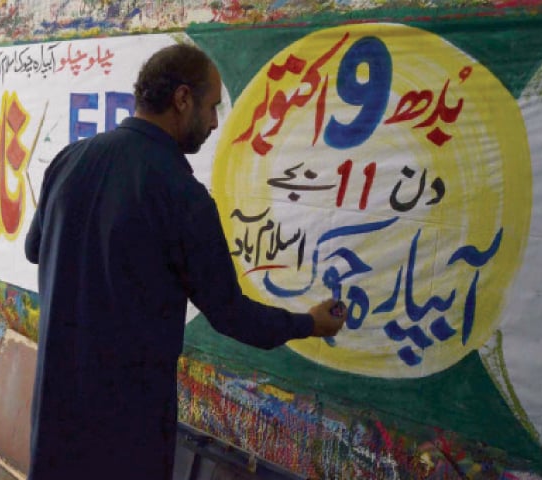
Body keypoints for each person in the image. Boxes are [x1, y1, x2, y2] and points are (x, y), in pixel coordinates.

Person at [24, 44, 346, 479]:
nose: (214, 122)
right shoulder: (181, 195)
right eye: (212, 107)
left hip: (57, 414)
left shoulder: (69, 160)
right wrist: (310, 323)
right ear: (182, 99)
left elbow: (33, 249)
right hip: (126, 428)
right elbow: (231, 315)